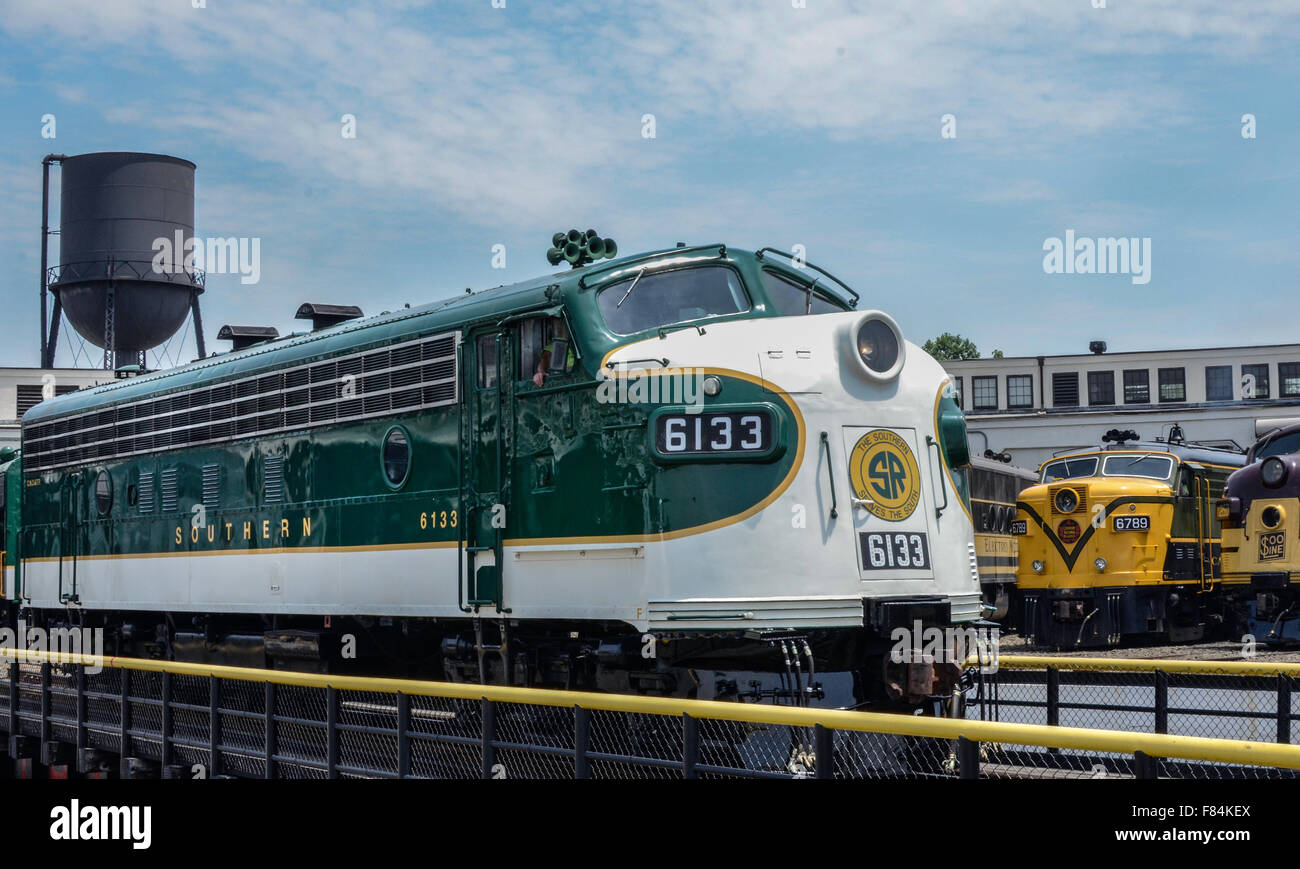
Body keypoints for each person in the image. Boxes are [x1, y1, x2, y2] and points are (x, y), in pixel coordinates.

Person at [533, 319, 575, 386]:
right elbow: (543, 363)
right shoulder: (553, 346)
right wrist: (540, 373)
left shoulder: (582, 344)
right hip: (563, 381)